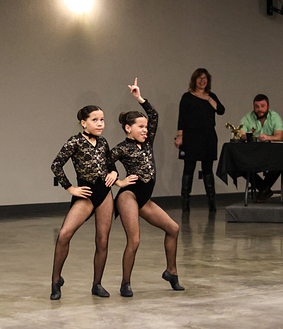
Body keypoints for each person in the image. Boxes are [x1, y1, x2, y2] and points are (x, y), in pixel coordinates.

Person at [112, 78, 184, 297]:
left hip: (144, 199)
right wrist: (119, 182)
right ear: (128, 128)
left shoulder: (148, 141)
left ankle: (171, 271)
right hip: (129, 196)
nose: (145, 130)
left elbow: (154, 115)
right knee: (134, 240)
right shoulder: (122, 148)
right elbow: (102, 165)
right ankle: (125, 283)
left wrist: (139, 98)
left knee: (173, 229)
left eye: (145, 127)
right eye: (140, 127)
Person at [50, 105, 118, 300]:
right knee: (64, 234)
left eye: (102, 120)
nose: (100, 123)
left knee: (102, 241)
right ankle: (56, 280)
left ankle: (97, 284)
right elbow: (56, 165)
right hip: (85, 194)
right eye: (95, 120)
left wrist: (114, 173)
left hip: (104, 194)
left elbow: (110, 165)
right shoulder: (75, 142)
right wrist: (70, 188)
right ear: (83, 123)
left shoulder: (103, 142)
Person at [175, 68, 225, 213]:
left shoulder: (211, 96)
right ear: (194, 80)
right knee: (189, 168)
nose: (202, 81)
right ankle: (185, 203)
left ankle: (211, 203)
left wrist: (208, 98)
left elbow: (221, 110)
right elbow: (182, 118)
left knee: (208, 169)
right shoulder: (187, 97)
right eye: (199, 78)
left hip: (208, 137)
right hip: (191, 137)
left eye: (205, 78)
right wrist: (180, 136)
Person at [238, 94, 283, 202]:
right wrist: (252, 137)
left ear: (268, 106)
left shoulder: (275, 117)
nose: (259, 109)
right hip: (253, 154)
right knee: (239, 162)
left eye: (262, 106)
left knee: (281, 162)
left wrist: (268, 137)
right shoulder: (247, 118)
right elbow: (240, 134)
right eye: (257, 106)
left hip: (271, 154)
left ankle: (263, 190)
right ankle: (264, 189)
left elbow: (280, 136)